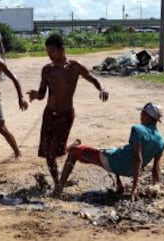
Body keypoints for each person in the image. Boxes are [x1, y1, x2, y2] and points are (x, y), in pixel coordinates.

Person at [26, 33, 109, 188]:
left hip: (65, 115)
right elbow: (42, 94)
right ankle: (58, 180)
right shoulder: (47, 70)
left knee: (54, 151)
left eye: (52, 52)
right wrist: (35, 95)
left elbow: (93, 78)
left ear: (62, 49)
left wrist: (102, 88)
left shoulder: (74, 67)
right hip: (49, 114)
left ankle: (59, 184)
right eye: (48, 52)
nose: (50, 56)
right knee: (48, 153)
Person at [55, 102, 164, 200]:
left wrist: (134, 188)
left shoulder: (138, 130)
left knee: (74, 152)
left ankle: (58, 189)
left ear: (147, 116)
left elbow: (138, 159)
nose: (140, 116)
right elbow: (156, 168)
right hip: (129, 171)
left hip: (114, 162)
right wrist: (156, 188)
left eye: (142, 113)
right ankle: (119, 184)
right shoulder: (161, 141)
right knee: (114, 150)